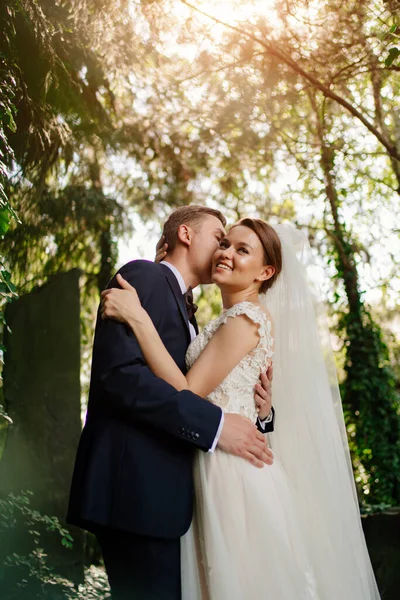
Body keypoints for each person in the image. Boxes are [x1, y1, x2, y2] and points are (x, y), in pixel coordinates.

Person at [101, 218, 381, 600]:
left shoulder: (247, 318)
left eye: (240, 249)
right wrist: (261, 413)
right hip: (206, 464)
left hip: (230, 474)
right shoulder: (215, 319)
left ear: (266, 272)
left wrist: (137, 317)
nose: (226, 253)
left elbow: (187, 390)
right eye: (225, 243)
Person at [67, 206, 275, 600]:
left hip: (175, 497)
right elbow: (122, 377)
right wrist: (215, 426)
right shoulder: (146, 275)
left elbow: (205, 387)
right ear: (185, 235)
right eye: (219, 238)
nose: (222, 250)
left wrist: (262, 412)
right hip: (136, 491)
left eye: (234, 245)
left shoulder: (196, 314)